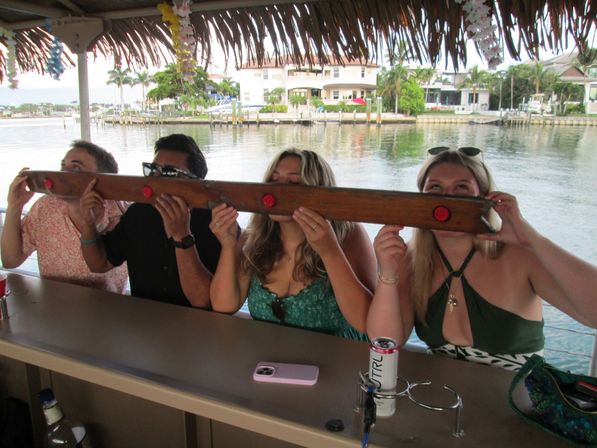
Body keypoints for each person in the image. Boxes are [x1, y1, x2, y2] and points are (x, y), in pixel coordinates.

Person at [367, 147, 597, 370]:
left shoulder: (520, 256)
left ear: (484, 198)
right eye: (435, 188)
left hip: (515, 402)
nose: (448, 199)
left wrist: (533, 240)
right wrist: (387, 273)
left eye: (462, 188)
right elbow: (386, 341)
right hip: (441, 397)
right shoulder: (412, 260)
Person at [209, 148, 376, 340]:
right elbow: (223, 306)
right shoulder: (253, 238)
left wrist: (329, 252)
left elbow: (366, 322)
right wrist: (228, 246)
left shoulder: (348, 234)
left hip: (339, 358)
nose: (278, 190)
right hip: (270, 361)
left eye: (293, 182)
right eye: (273, 181)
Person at [79, 134, 223, 308]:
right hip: (143, 322)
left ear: (196, 182)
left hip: (199, 326)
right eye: (152, 170)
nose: (156, 179)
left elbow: (204, 301)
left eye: (169, 173)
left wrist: (182, 236)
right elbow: (98, 264)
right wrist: (88, 224)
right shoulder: (138, 213)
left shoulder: (218, 223)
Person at [1, 141, 128, 293]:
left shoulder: (121, 213)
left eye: (75, 168)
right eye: (63, 166)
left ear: (102, 180)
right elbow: (10, 260)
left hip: (108, 308)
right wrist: (15, 206)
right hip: (55, 305)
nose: (61, 174)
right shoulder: (45, 207)